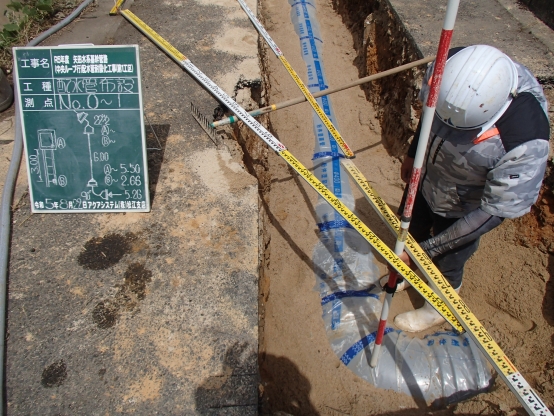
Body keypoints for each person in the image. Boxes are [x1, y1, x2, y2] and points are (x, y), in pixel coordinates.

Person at [384, 44, 551, 332]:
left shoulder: (525, 138)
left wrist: (425, 251)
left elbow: (492, 212)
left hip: (465, 206)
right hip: (428, 178)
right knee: (411, 225)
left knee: (449, 258)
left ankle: (438, 305)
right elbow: (431, 110)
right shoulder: (448, 69)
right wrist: (414, 153)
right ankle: (405, 271)